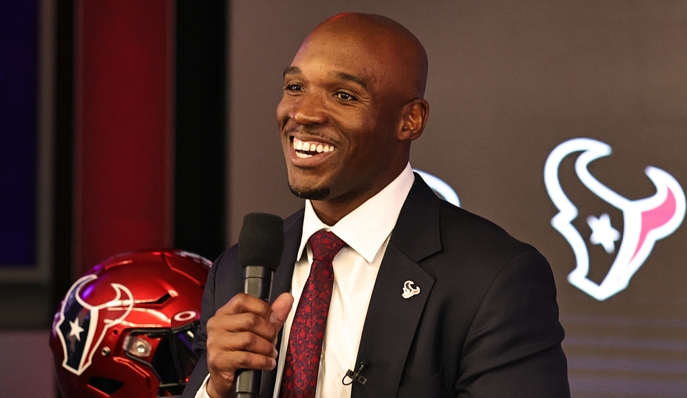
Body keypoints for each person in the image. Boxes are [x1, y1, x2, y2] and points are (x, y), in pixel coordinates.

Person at [183, 12, 570, 398]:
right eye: (295, 87)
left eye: (344, 96)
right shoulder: (236, 272)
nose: (302, 114)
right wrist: (217, 389)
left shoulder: (493, 279)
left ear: (410, 120)